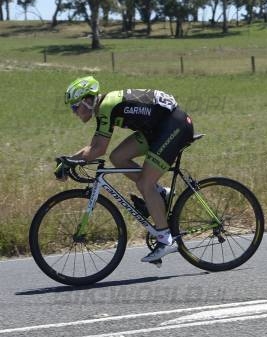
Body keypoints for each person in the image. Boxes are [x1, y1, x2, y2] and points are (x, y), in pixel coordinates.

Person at [59, 76, 194, 262]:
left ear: (88, 101)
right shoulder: (105, 107)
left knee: (145, 184)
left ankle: (165, 239)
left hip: (173, 126)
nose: (74, 112)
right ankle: (161, 194)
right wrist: (70, 160)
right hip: (158, 128)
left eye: (75, 106)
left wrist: (69, 162)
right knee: (118, 157)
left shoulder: (106, 107)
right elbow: (97, 146)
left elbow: (98, 149)